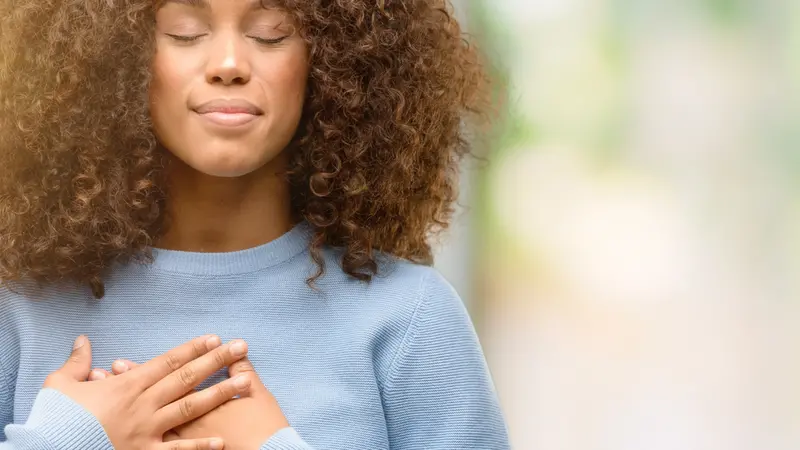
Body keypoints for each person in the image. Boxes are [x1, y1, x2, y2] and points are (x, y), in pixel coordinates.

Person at [0, 0, 509, 449]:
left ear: (332, 61)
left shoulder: (412, 318)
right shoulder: (18, 308)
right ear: (113, 56)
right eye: (183, 31)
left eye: (270, 32)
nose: (228, 64)